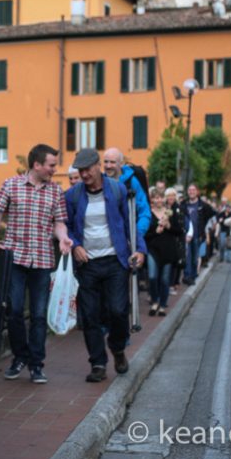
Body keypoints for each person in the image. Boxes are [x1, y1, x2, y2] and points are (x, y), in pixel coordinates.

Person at [0, 144, 72, 385]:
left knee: (38, 314)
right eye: (51, 165)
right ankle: (20, 357)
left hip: (44, 259)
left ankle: (36, 364)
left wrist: (63, 237)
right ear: (37, 165)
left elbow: (59, 223)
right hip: (15, 258)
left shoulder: (55, 191)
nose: (54, 170)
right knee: (14, 311)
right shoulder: (11, 185)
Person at [65, 148, 146, 383]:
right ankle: (98, 363)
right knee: (90, 316)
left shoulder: (117, 190)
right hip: (87, 263)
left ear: (98, 166)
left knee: (118, 310)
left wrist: (140, 249)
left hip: (115, 260)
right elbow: (66, 226)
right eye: (80, 171)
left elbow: (130, 223)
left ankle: (118, 349)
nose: (84, 174)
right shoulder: (73, 195)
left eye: (87, 169)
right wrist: (75, 245)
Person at [145, 189, 183, 316]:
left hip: (168, 250)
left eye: (161, 197)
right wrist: (156, 231)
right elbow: (144, 234)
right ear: (152, 200)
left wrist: (168, 226)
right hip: (153, 250)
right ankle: (154, 301)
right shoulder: (148, 214)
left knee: (165, 280)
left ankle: (162, 305)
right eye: (156, 198)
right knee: (152, 276)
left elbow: (179, 231)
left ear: (164, 199)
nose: (159, 200)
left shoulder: (170, 213)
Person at [102, 147, 151, 241]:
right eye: (106, 161)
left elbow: (144, 212)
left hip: (128, 239)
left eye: (112, 162)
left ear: (121, 163)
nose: (108, 166)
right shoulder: (100, 182)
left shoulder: (132, 182)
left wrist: (137, 236)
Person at [182, 184, 214, 282]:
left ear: (197, 192)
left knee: (195, 257)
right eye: (189, 190)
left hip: (197, 235)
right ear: (187, 192)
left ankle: (193, 274)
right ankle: (187, 276)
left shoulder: (202, 205)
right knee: (187, 256)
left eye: (193, 190)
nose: (191, 192)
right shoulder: (184, 204)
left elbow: (211, 213)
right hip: (186, 235)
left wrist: (203, 224)